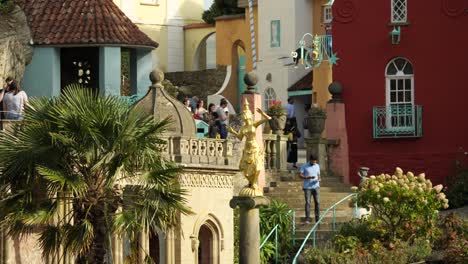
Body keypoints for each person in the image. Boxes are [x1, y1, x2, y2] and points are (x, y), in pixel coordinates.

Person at [299, 155, 321, 224]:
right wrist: (307, 177)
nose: (314, 162)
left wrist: (319, 178)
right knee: (308, 203)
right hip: (307, 188)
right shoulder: (304, 166)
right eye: (313, 161)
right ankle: (307, 218)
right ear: (310, 160)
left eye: (315, 161)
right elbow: (300, 175)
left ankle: (317, 218)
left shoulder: (317, 166)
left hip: (316, 186)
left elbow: (318, 174)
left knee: (317, 202)